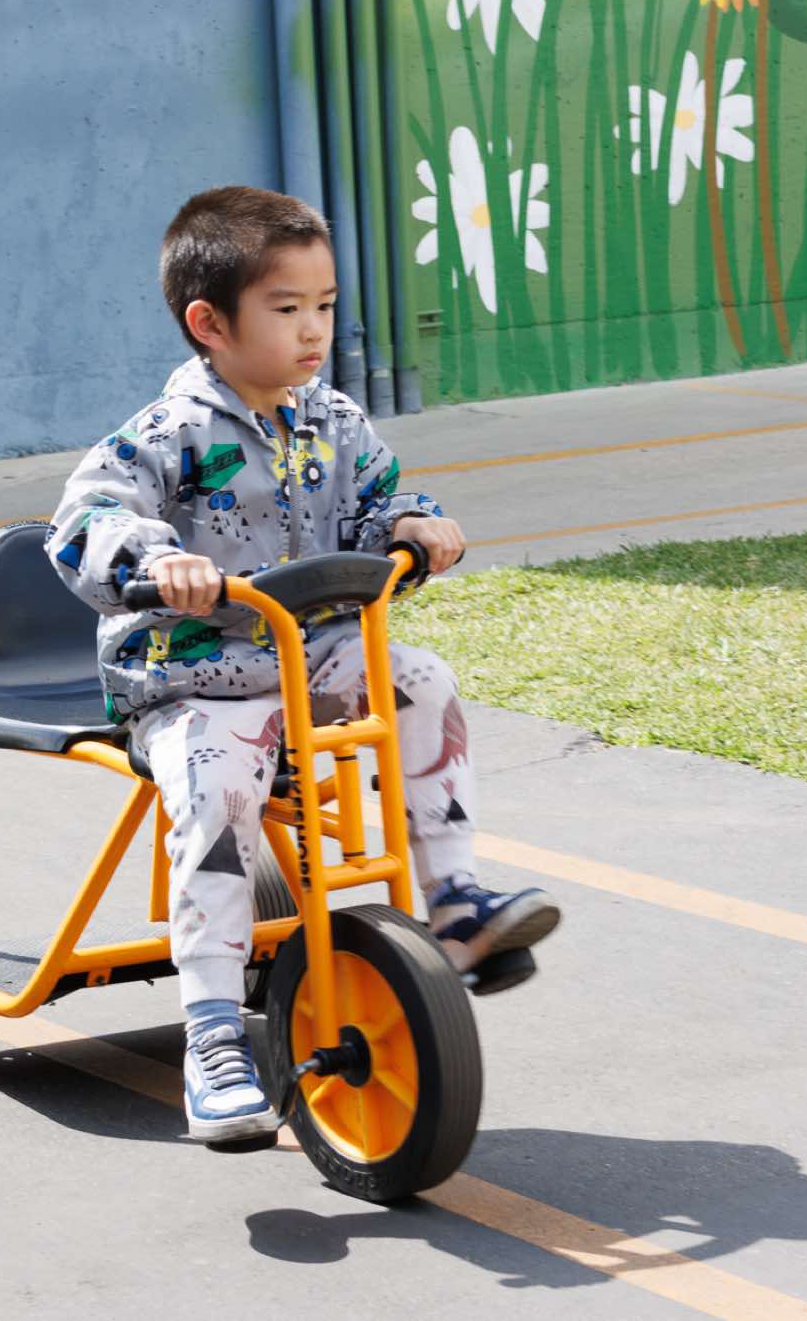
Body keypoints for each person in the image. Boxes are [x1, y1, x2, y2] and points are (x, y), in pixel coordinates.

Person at [45, 186, 561, 1143]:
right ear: (210, 324)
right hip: (191, 671)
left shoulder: (334, 418)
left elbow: (379, 501)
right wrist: (156, 560)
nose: (314, 329)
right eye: (286, 309)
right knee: (217, 788)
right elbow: (83, 522)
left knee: (421, 680)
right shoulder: (166, 433)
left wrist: (414, 525)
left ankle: (455, 905)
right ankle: (211, 1034)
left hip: (307, 655)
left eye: (323, 305)